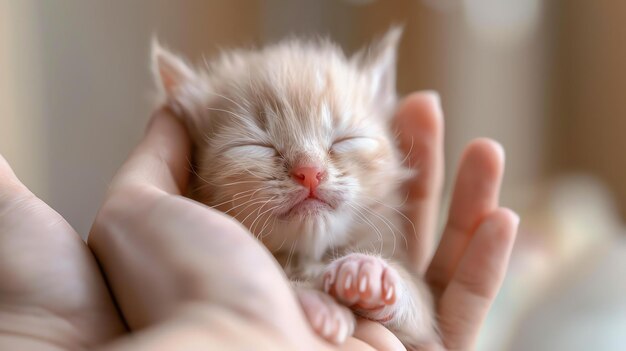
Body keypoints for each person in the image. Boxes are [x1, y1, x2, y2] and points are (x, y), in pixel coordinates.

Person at [0, 92, 518, 350]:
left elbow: (421, 316)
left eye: (345, 142)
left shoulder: (376, 232)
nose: (311, 170)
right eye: (255, 146)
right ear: (193, 172)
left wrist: (393, 290)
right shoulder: (185, 272)